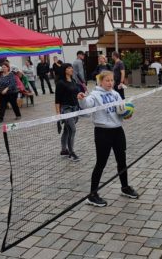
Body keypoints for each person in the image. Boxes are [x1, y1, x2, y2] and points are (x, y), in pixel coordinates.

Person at [78, 71, 139, 207]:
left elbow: (121, 110)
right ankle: (92, 195)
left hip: (118, 131)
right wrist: (82, 98)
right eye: (107, 80)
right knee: (101, 163)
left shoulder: (115, 94)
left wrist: (126, 114)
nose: (110, 83)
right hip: (102, 132)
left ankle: (125, 187)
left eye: (112, 80)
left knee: (121, 160)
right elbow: (87, 104)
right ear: (101, 82)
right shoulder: (95, 95)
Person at [55, 63, 81, 161]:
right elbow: (57, 100)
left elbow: (75, 94)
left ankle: (63, 150)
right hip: (66, 109)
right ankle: (71, 152)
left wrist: (80, 95)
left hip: (74, 109)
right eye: (69, 68)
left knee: (67, 130)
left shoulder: (73, 81)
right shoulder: (60, 83)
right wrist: (58, 114)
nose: (71, 69)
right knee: (72, 130)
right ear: (65, 70)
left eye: (71, 68)